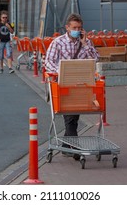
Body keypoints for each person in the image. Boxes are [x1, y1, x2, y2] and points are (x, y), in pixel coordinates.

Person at [45, 13, 99, 158]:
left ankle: (65, 146)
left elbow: (95, 60)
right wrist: (61, 72)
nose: (77, 30)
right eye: (74, 27)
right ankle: (76, 149)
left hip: (81, 86)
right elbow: (48, 61)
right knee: (70, 117)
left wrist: (85, 44)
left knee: (73, 117)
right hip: (63, 85)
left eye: (79, 28)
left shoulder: (86, 43)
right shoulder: (58, 42)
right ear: (67, 27)